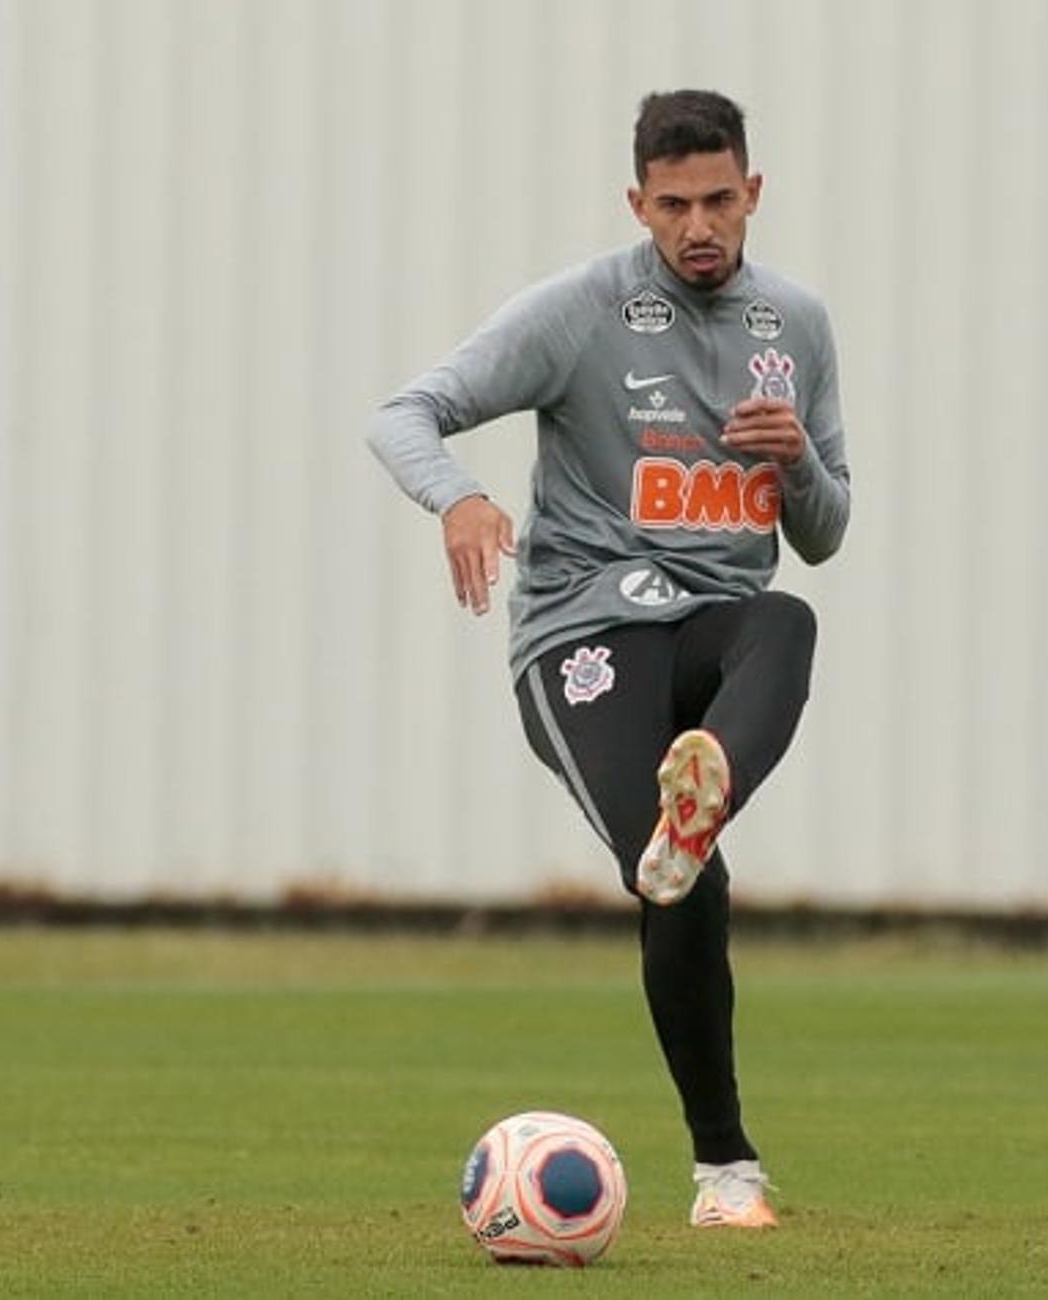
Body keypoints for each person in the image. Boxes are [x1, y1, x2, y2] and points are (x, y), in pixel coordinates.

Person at [367, 89, 850, 1230]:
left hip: (716, 622)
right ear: (638, 202)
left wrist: (795, 472)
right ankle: (726, 1170)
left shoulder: (798, 324)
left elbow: (824, 537)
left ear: (754, 194)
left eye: (719, 200)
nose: (699, 224)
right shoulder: (582, 312)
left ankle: (707, 786)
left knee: (786, 623)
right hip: (584, 634)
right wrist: (463, 499)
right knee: (683, 877)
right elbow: (406, 413)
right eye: (673, 203)